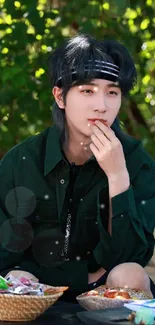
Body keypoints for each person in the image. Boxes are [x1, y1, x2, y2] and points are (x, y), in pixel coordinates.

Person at [0, 34, 155, 301]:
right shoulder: (21, 161)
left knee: (130, 274)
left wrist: (117, 176)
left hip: (108, 294)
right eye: (87, 91)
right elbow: (5, 255)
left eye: (112, 92)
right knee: (14, 279)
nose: (102, 106)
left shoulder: (137, 162)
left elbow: (132, 257)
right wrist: (78, 277)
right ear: (60, 97)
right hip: (36, 288)